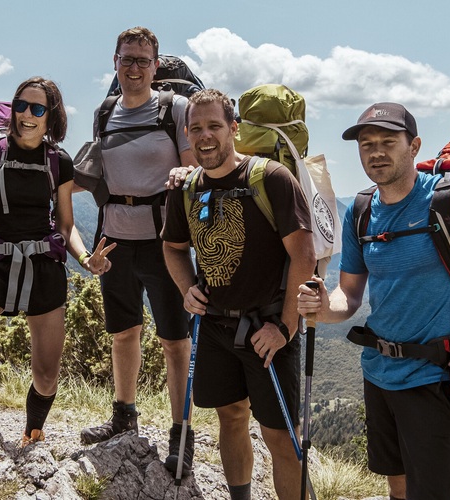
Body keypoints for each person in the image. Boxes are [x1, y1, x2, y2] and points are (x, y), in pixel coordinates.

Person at [297, 102, 450, 499]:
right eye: (366, 144)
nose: (376, 152)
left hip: (437, 379)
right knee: (397, 487)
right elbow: (348, 295)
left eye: (387, 142)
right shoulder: (362, 210)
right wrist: (322, 307)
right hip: (378, 372)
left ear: (413, 146)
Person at [0, 77, 112, 444]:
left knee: (46, 375)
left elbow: (65, 223)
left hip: (44, 268)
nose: (27, 114)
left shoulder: (58, 160)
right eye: (21, 105)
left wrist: (85, 258)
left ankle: (31, 435)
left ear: (51, 117)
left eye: (37, 109)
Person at [162, 89, 316, 499]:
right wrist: (186, 290)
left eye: (214, 126)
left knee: (281, 438)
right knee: (230, 417)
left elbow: (304, 255)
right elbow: (173, 248)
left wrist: (285, 326)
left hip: (267, 329)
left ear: (233, 128)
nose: (205, 136)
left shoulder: (270, 178)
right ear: (187, 134)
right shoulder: (186, 187)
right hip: (213, 327)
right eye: (196, 128)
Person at [76, 26, 199, 473]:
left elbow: (192, 170)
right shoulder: (104, 112)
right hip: (113, 238)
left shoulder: (175, 108)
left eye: (142, 60)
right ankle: (123, 416)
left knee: (173, 339)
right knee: (123, 331)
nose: (134, 67)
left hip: (163, 240)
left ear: (155, 65)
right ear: (115, 62)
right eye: (126, 59)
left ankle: (180, 432)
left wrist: (181, 182)